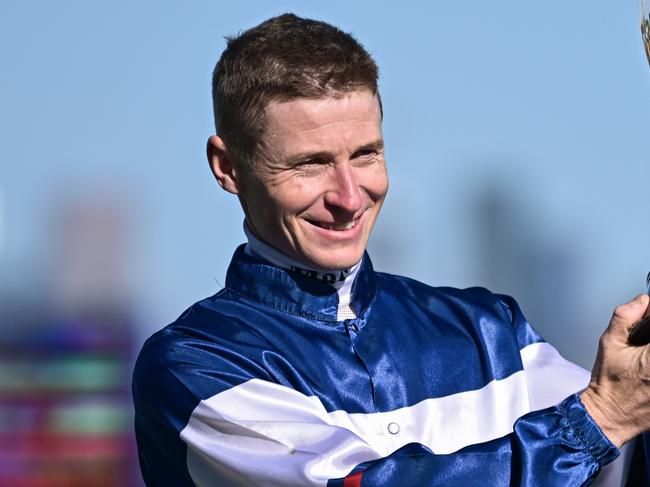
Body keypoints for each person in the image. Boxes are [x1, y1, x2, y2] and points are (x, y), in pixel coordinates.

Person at [132, 13, 650, 486]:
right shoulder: (195, 365)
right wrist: (600, 420)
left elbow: (621, 463)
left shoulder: (490, 331)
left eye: (366, 155)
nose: (349, 197)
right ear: (227, 167)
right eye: (309, 164)